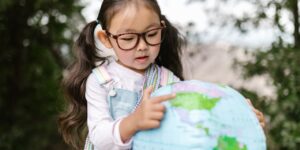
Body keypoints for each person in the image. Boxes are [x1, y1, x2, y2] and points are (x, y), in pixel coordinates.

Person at [58, 0, 265, 150]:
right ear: (106, 38)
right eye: (128, 38)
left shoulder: (169, 81)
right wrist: (134, 122)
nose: (142, 46)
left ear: (161, 29)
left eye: (151, 34)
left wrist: (241, 117)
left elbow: (196, 117)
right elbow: (99, 138)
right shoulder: (101, 81)